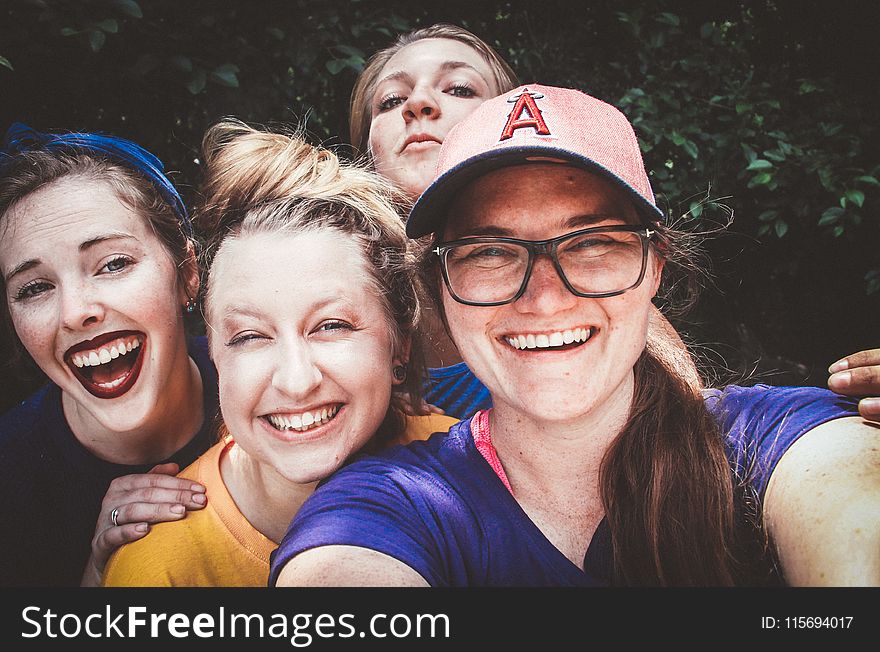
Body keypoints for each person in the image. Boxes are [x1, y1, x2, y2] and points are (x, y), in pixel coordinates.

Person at [270, 84, 878, 587]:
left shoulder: (771, 442)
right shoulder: (392, 505)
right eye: (490, 251)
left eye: (591, 243)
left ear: (656, 264)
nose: (545, 296)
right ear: (440, 285)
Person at [102, 120, 455, 586]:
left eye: (331, 326)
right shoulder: (158, 566)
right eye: (249, 336)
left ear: (399, 345)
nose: (296, 380)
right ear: (215, 357)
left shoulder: (473, 469)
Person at [350, 23, 701, 420]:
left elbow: (692, 430)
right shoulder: (337, 294)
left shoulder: (612, 306)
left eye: (459, 88)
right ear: (366, 149)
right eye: (391, 100)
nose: (418, 104)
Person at [0, 124, 215, 586]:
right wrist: (100, 578)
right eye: (34, 288)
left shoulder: (272, 385)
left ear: (188, 273)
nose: (76, 313)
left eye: (113, 263)